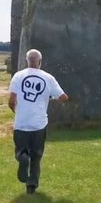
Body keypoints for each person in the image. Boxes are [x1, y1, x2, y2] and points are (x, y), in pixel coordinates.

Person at [8, 49, 68, 194]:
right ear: (40, 62)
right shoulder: (48, 78)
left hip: (21, 123)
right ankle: (31, 186)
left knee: (21, 150)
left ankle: (22, 158)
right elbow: (63, 97)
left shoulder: (18, 76)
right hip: (39, 124)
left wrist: (17, 112)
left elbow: (11, 100)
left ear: (27, 61)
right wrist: (52, 97)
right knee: (36, 155)